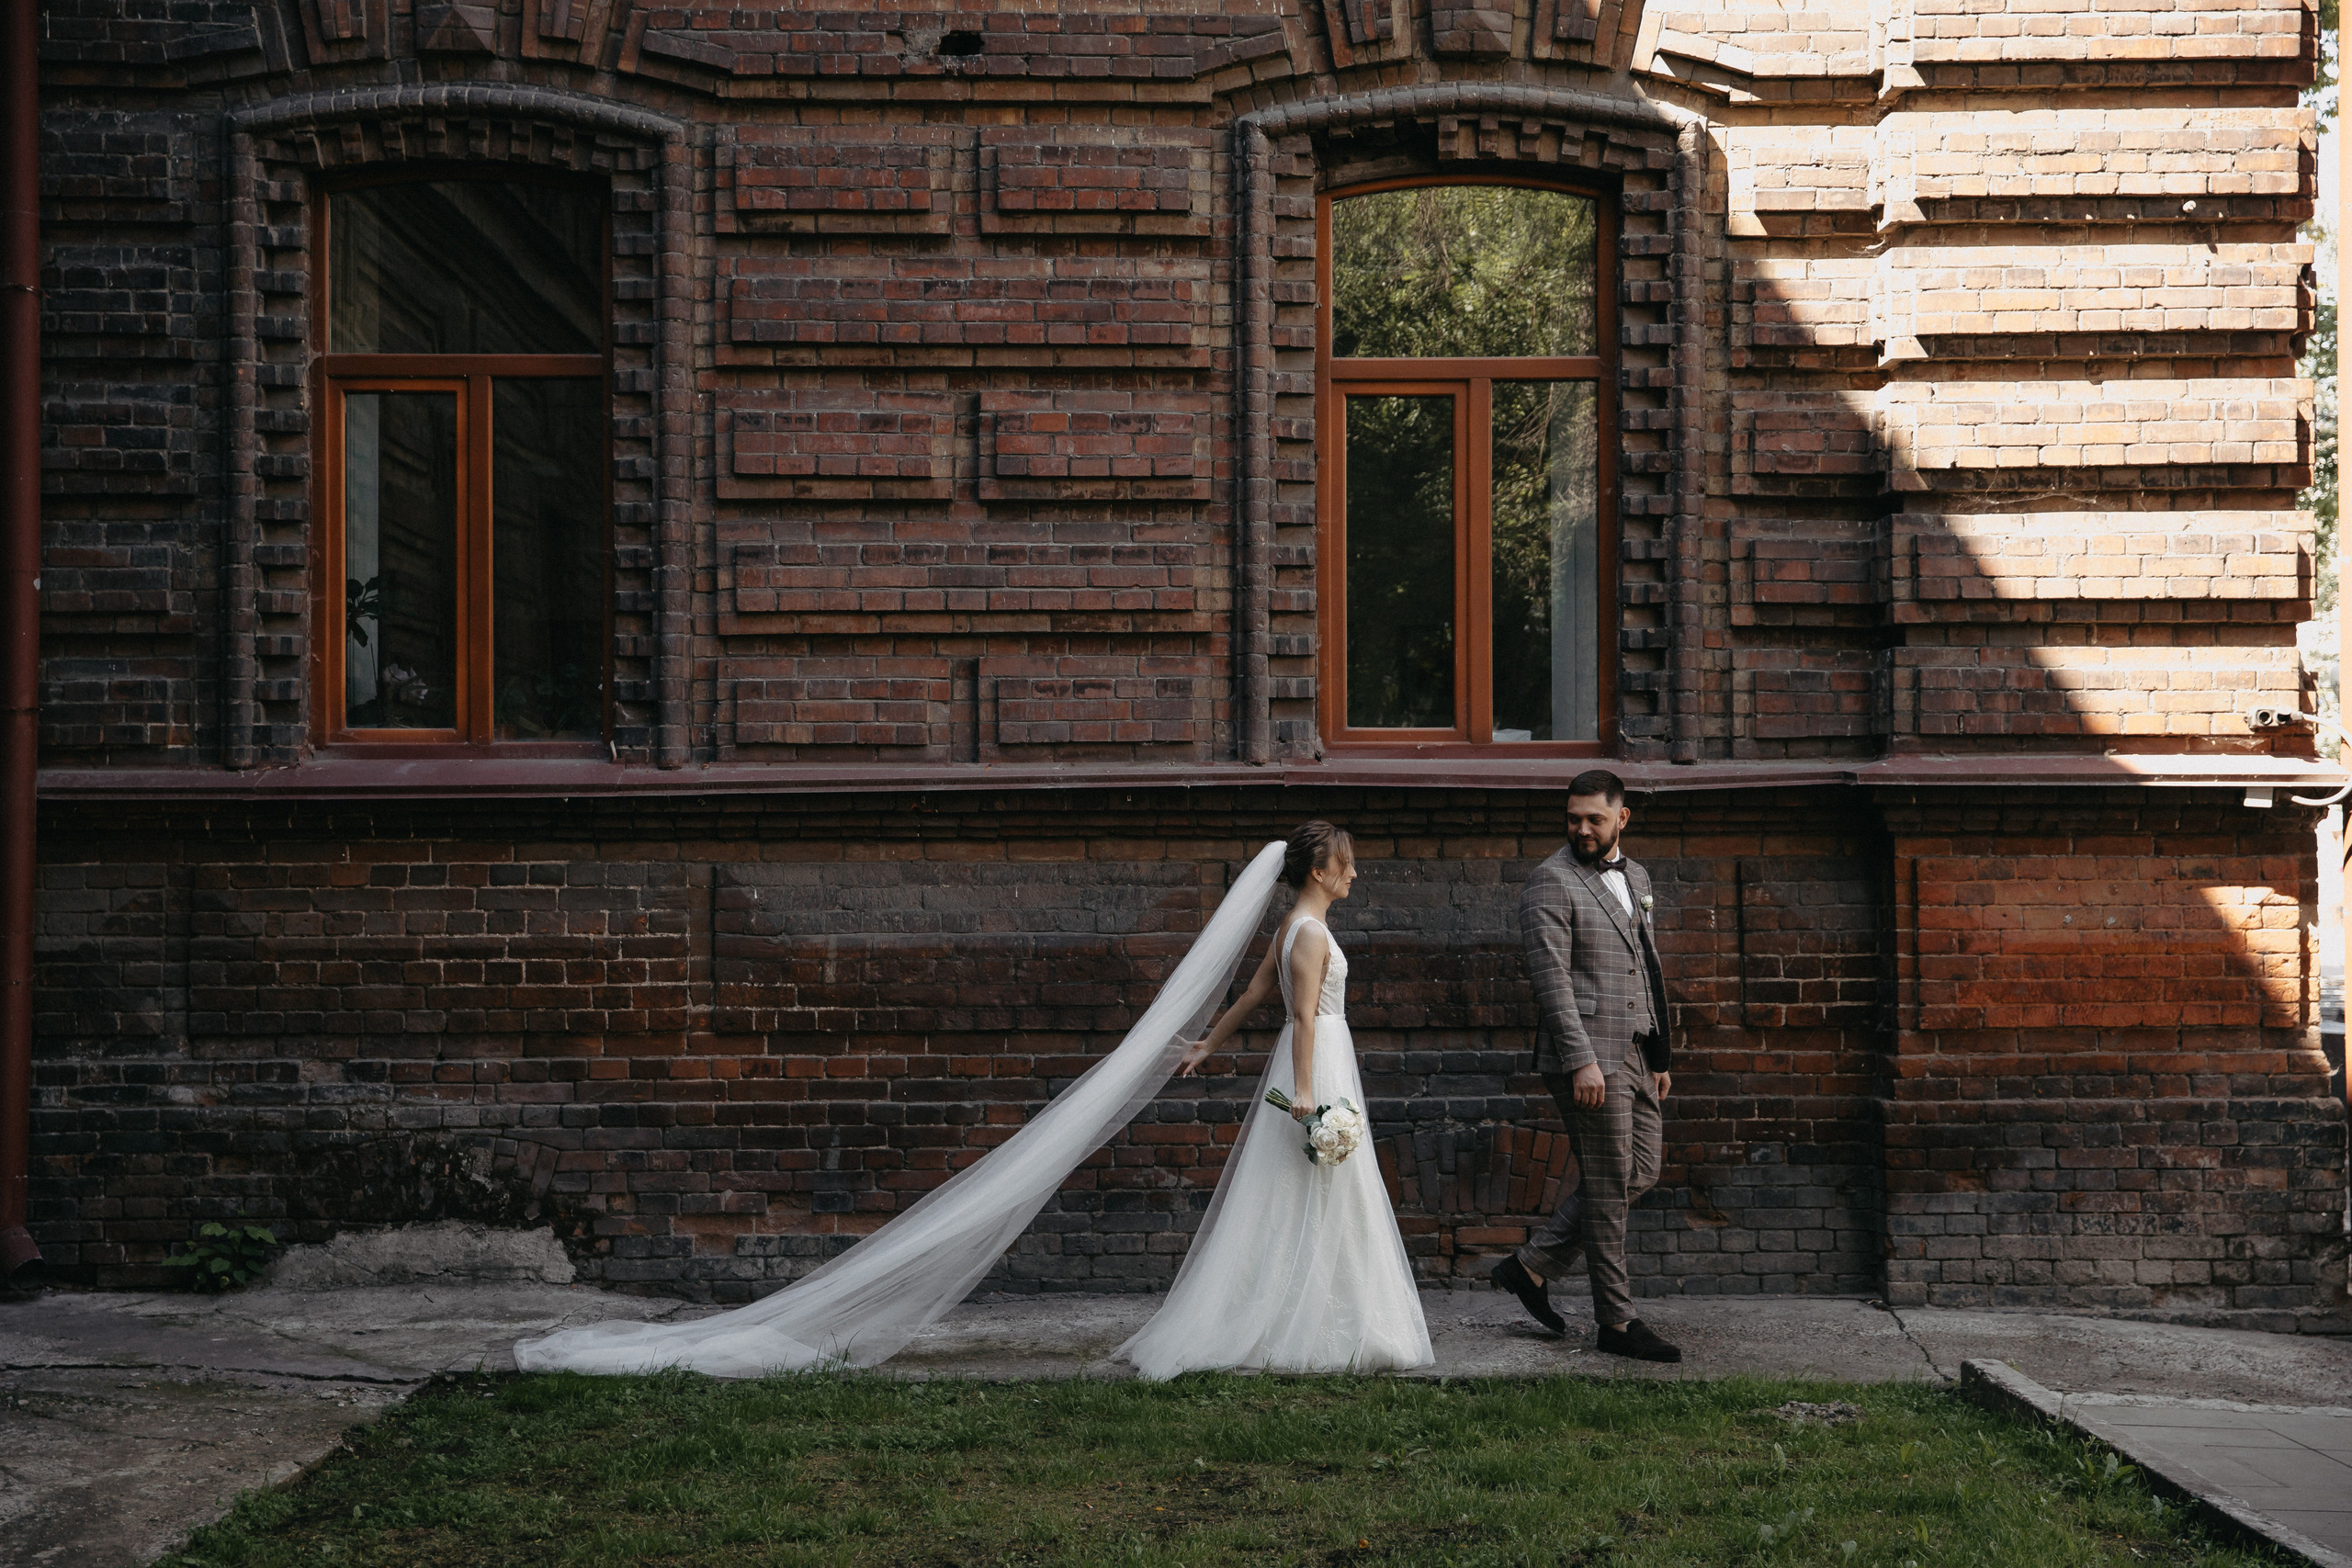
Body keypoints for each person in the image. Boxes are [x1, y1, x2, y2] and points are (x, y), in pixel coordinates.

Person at [1115, 822, 1433, 1379]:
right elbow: (1304, 1013)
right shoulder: (1309, 933)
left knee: (1306, 1182)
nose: (1354, 872)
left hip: (1312, 1051)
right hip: (1317, 1056)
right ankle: (1319, 1322)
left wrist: (1210, 1042)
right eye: (1346, 863)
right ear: (1319, 871)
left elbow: (1257, 991)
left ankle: (1318, 1307)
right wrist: (1307, 1089)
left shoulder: (1292, 925)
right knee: (1324, 1180)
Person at [1489, 770, 1682, 1363]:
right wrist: (1582, 1061)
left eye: (1594, 819)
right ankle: (1616, 1321)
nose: (1582, 829)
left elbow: (1644, 964)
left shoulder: (1638, 876)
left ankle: (1531, 1264)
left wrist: (1659, 1053)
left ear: (1621, 818)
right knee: (1607, 1183)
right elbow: (1551, 983)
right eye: (1574, 817)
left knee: (1640, 1170)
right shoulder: (1551, 881)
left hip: (1637, 1052)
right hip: (1589, 1062)